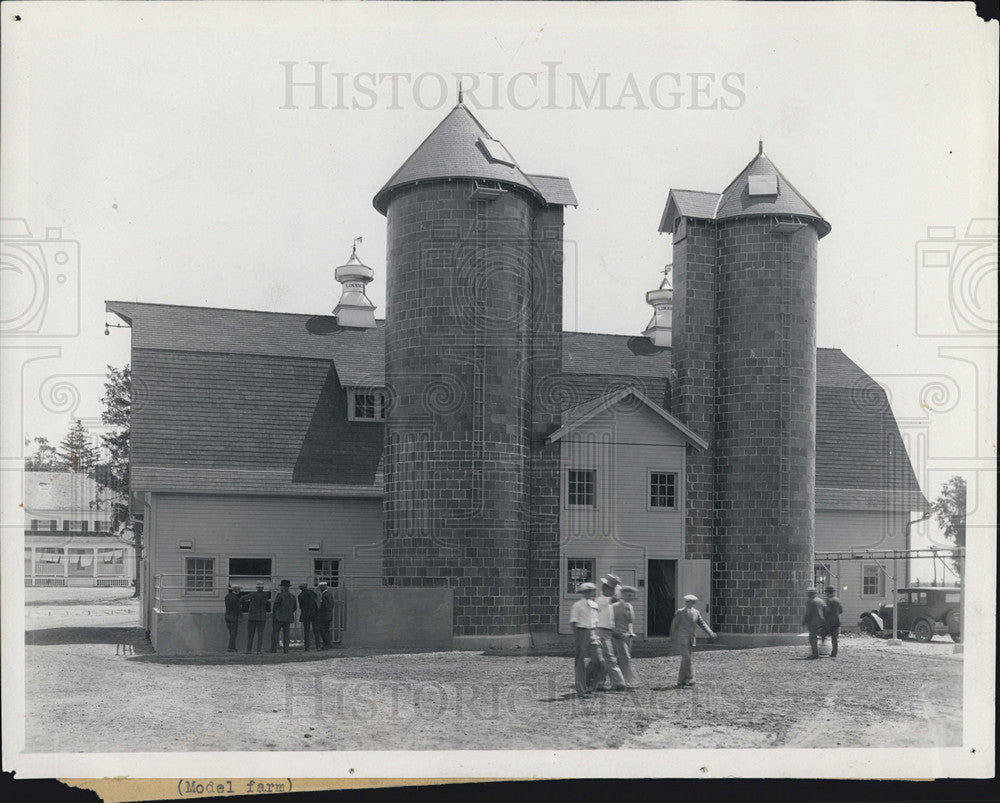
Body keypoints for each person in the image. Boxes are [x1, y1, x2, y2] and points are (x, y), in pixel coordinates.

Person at [669, 593, 716, 688]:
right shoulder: (680, 612)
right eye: (687, 601)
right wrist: (673, 638)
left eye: (690, 602)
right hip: (682, 639)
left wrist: (710, 632)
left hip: (691, 639)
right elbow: (674, 625)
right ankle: (690, 679)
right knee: (687, 658)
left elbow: (702, 624)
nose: (688, 603)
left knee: (686, 659)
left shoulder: (696, 613)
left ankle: (681, 681)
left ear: (693, 603)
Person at [594, 575, 628, 691]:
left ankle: (602, 682)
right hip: (601, 631)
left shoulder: (607, 602)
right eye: (611, 589)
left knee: (604, 658)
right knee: (608, 658)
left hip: (607, 631)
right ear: (606, 589)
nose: (614, 591)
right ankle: (617, 682)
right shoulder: (601, 600)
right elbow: (615, 599)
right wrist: (616, 584)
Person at [569, 581, 602, 698]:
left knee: (598, 659)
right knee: (580, 661)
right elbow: (573, 622)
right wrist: (577, 636)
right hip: (581, 631)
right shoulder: (577, 605)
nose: (589, 593)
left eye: (591, 591)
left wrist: (596, 634)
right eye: (587, 591)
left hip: (593, 632)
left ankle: (590, 683)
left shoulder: (595, 605)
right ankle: (580, 688)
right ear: (582, 592)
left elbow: (596, 621)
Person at [611, 585, 639, 687]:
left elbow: (630, 622)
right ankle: (623, 681)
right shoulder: (614, 607)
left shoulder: (630, 607)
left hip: (628, 636)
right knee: (625, 658)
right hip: (617, 636)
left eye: (632, 595)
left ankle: (620, 680)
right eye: (628, 595)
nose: (630, 597)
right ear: (622, 595)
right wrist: (617, 633)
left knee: (623, 658)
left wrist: (631, 632)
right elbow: (611, 622)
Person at [269, 579, 298, 654]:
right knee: (286, 634)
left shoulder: (279, 595)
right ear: (288, 587)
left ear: (283, 587)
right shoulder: (292, 596)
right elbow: (295, 607)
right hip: (288, 618)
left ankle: (273, 649)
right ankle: (286, 650)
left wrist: (275, 615)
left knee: (275, 633)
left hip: (279, 617)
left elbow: (275, 606)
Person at [802, 587, 827, 659]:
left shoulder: (810, 601)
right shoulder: (821, 601)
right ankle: (821, 651)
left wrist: (804, 621)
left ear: (810, 594)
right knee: (822, 637)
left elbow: (808, 613)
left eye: (808, 593)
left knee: (812, 638)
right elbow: (825, 610)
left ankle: (815, 653)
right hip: (821, 622)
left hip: (813, 622)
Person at [245, 581, 269, 654]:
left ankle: (249, 650)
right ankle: (259, 650)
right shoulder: (266, 595)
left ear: (256, 587)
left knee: (251, 634)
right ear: (263, 587)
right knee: (260, 634)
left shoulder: (252, 594)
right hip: (262, 617)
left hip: (252, 617)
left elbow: (243, 598)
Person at [297, 582, 321, 651]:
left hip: (306, 614)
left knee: (306, 631)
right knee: (316, 630)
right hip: (314, 613)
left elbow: (301, 607)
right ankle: (318, 646)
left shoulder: (300, 596)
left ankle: (307, 647)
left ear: (301, 589)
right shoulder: (311, 592)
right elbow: (316, 596)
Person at [823, 585, 843, 658]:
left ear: (828, 592)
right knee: (835, 638)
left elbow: (827, 611)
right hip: (837, 621)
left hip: (830, 621)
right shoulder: (838, 600)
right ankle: (834, 653)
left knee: (823, 635)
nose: (826, 593)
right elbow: (841, 611)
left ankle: (821, 650)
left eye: (826, 592)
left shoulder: (829, 600)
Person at [317, 580, 335, 649]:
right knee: (326, 630)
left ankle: (326, 644)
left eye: (320, 588)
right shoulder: (329, 594)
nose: (320, 589)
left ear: (322, 588)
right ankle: (328, 644)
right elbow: (332, 604)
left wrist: (319, 610)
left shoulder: (324, 595)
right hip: (329, 615)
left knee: (322, 630)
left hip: (324, 615)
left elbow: (324, 605)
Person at [224, 585, 242, 652]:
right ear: (236, 590)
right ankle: (231, 648)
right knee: (233, 633)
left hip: (227, 615)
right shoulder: (236, 598)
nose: (239, 591)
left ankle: (232, 647)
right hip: (233, 616)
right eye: (239, 590)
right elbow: (237, 609)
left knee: (230, 632)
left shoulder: (227, 596)